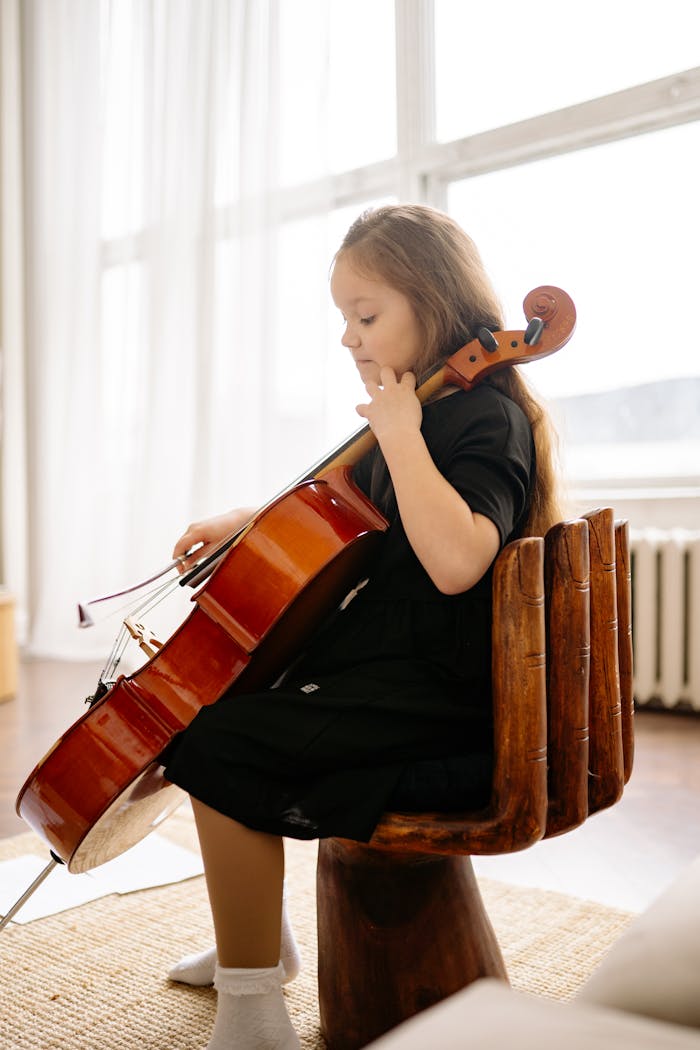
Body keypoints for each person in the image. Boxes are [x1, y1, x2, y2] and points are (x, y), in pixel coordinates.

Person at [162, 204, 562, 1050]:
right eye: (344, 317)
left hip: (446, 713)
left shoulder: (482, 416)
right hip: (407, 680)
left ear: (434, 298)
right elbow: (352, 518)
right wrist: (250, 523)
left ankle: (252, 1008)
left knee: (214, 742)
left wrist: (404, 440)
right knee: (222, 704)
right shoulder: (418, 409)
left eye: (367, 314)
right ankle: (259, 942)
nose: (349, 335)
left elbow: (457, 561)